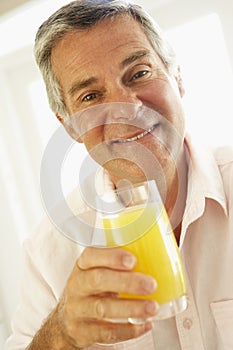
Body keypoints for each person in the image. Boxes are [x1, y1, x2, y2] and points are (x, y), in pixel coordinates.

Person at [5, 0, 233, 349]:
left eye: (139, 73)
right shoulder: (48, 254)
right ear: (69, 127)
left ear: (178, 78)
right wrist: (60, 335)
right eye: (91, 96)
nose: (126, 109)